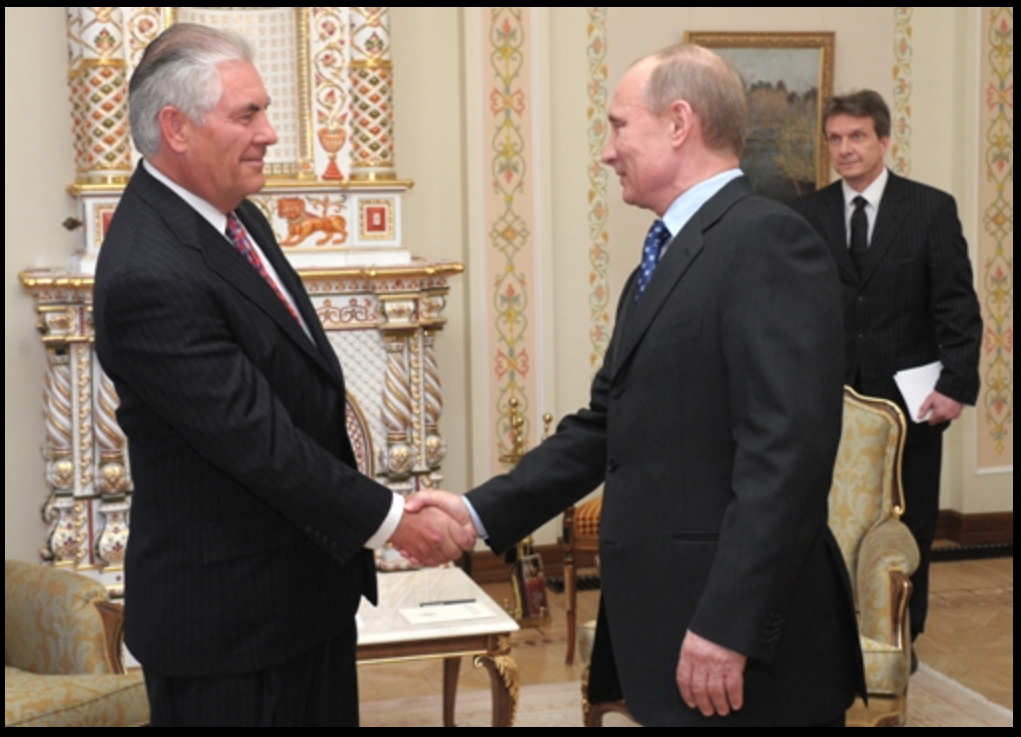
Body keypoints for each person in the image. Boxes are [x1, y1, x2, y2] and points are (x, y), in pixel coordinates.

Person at [409, 44, 864, 727]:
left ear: (678, 122)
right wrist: (476, 513)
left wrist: (728, 623)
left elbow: (786, 458)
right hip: (668, 618)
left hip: (735, 636)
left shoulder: (769, 242)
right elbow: (605, 425)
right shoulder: (663, 257)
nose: (607, 150)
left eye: (619, 125)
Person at [93, 23, 474, 727]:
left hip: (300, 606)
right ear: (175, 127)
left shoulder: (236, 218)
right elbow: (260, 443)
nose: (270, 133)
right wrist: (394, 521)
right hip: (230, 636)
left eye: (265, 110)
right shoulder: (149, 271)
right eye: (247, 114)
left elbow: (305, 393)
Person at [791, 90, 983, 648]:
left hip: (911, 404)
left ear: (883, 140)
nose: (845, 149)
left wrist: (955, 387)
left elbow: (957, 306)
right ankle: (829, 639)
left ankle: (902, 637)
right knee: (823, 520)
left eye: (857, 137)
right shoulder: (808, 215)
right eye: (835, 138)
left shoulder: (929, 209)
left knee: (908, 525)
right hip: (827, 403)